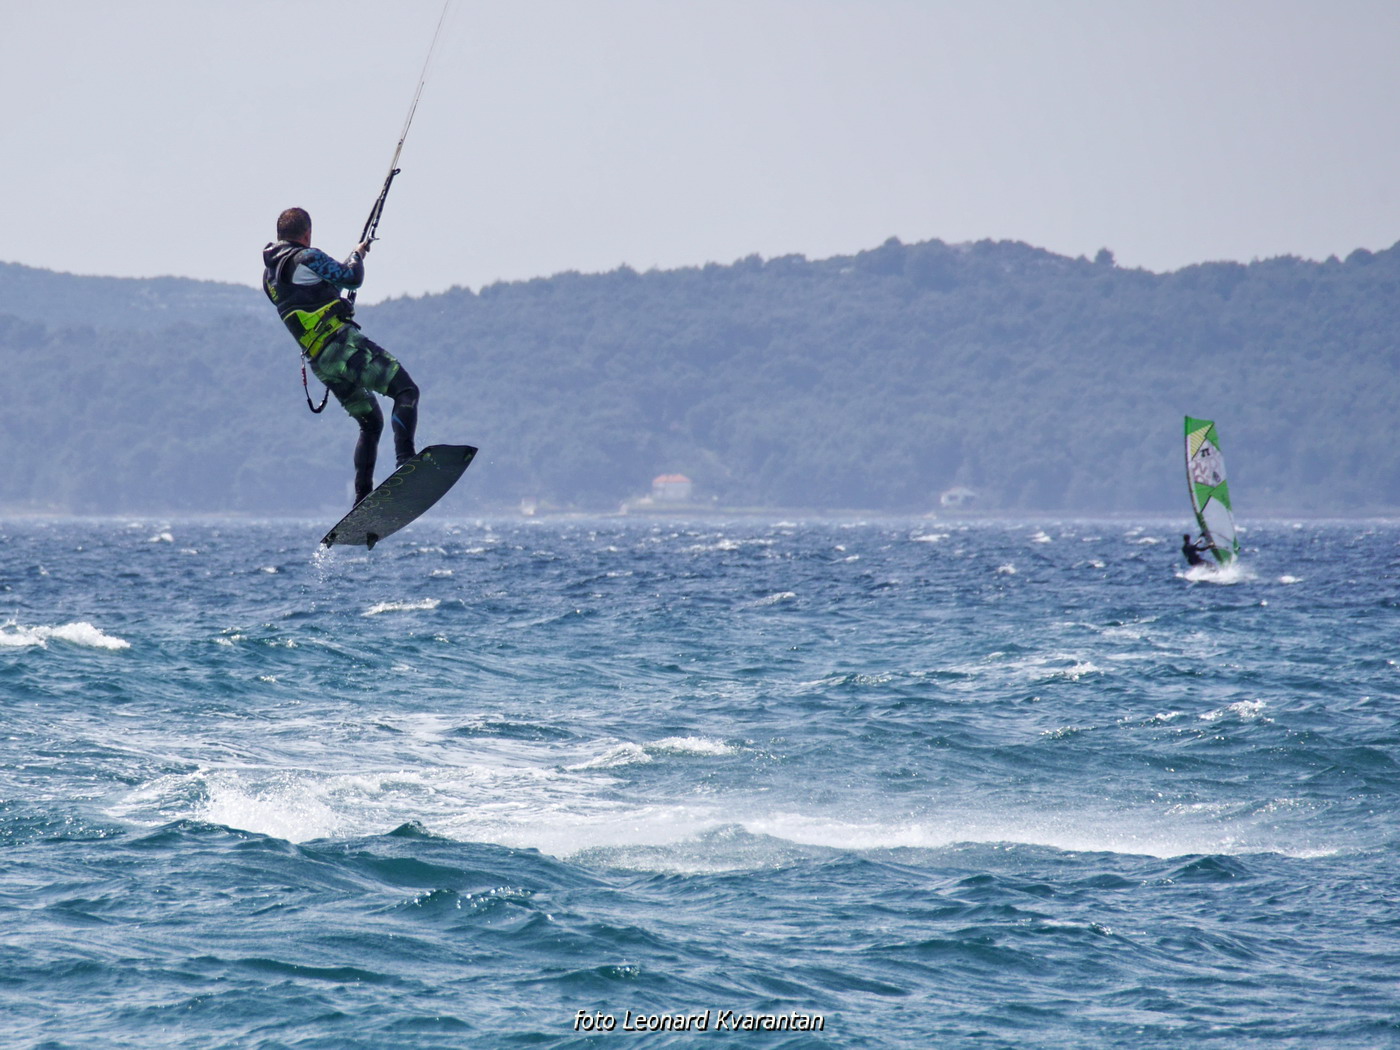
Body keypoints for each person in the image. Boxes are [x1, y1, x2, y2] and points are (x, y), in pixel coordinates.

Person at [262, 207, 419, 507]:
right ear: (307, 233)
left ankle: (362, 498)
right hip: (344, 348)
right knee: (406, 391)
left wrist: (335, 297)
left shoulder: (270, 278)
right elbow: (352, 278)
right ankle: (406, 463)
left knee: (370, 422)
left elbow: (308, 296)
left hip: (321, 363)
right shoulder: (307, 257)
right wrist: (358, 254)